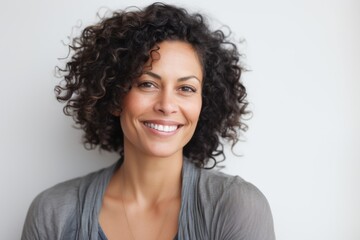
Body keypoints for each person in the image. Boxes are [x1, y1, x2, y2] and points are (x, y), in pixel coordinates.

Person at [21, 2, 275, 240]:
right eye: (147, 84)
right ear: (116, 95)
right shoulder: (53, 211)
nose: (166, 105)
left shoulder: (236, 205)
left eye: (186, 88)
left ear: (203, 103)